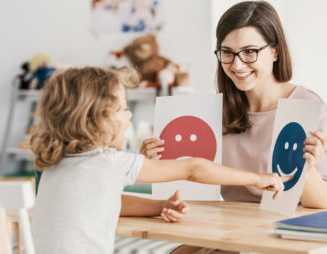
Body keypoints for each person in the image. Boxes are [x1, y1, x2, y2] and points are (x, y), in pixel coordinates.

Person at [30, 66, 288, 254]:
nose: (129, 115)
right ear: (95, 120)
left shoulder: (56, 165)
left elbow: (107, 200)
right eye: (122, 108)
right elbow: (193, 168)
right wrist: (258, 178)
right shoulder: (107, 162)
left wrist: (160, 206)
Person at [141, 1, 327, 253]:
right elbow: (191, 187)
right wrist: (153, 164)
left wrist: (307, 169)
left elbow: (321, 205)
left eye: (249, 51)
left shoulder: (305, 105)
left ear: (275, 52)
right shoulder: (213, 113)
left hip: (280, 239)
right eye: (227, 52)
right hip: (227, 234)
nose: (237, 65)